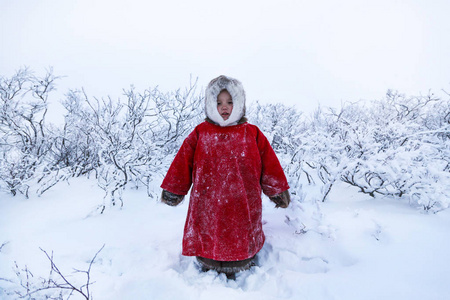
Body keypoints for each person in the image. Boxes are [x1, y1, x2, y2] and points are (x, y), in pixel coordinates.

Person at [160, 75, 290, 279]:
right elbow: (182, 162)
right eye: (218, 102)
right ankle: (208, 259)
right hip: (207, 202)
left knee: (240, 234)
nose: (224, 107)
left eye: (230, 101)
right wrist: (174, 189)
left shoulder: (252, 133)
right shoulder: (200, 133)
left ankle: (241, 260)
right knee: (208, 233)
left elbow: (269, 165)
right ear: (210, 105)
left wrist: (277, 190)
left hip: (242, 202)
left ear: (240, 104)